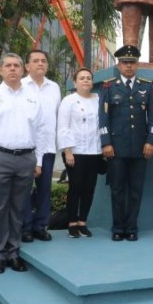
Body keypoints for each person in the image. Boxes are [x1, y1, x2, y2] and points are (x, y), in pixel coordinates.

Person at [0, 54, 53, 274]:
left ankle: (14, 252)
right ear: (0, 70)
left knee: (19, 207)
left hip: (26, 158)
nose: (12, 69)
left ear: (22, 70)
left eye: (16, 66)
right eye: (8, 66)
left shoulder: (33, 97)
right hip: (0, 156)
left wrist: (37, 161)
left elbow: (40, 131)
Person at [99, 45, 153, 242]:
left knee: (136, 190)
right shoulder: (108, 86)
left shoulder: (146, 86)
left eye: (133, 62)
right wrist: (106, 142)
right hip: (116, 148)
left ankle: (132, 227)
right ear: (118, 64)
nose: (129, 66)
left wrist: (151, 141)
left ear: (137, 64)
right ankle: (118, 227)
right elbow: (103, 118)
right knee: (117, 190)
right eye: (125, 62)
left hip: (139, 148)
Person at [21, 49, 61, 243]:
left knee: (45, 188)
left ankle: (40, 226)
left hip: (48, 147)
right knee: (26, 189)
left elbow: (57, 118)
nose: (40, 64)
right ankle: (26, 227)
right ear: (27, 66)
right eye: (35, 61)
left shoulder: (54, 88)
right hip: (25, 148)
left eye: (43, 61)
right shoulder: (19, 86)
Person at [57, 68, 103, 238]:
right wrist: (67, 150)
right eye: (82, 78)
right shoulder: (69, 100)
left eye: (89, 78)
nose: (86, 81)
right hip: (75, 151)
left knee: (89, 188)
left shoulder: (98, 100)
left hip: (94, 151)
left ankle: (83, 221)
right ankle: (72, 223)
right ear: (75, 82)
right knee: (75, 187)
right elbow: (63, 127)